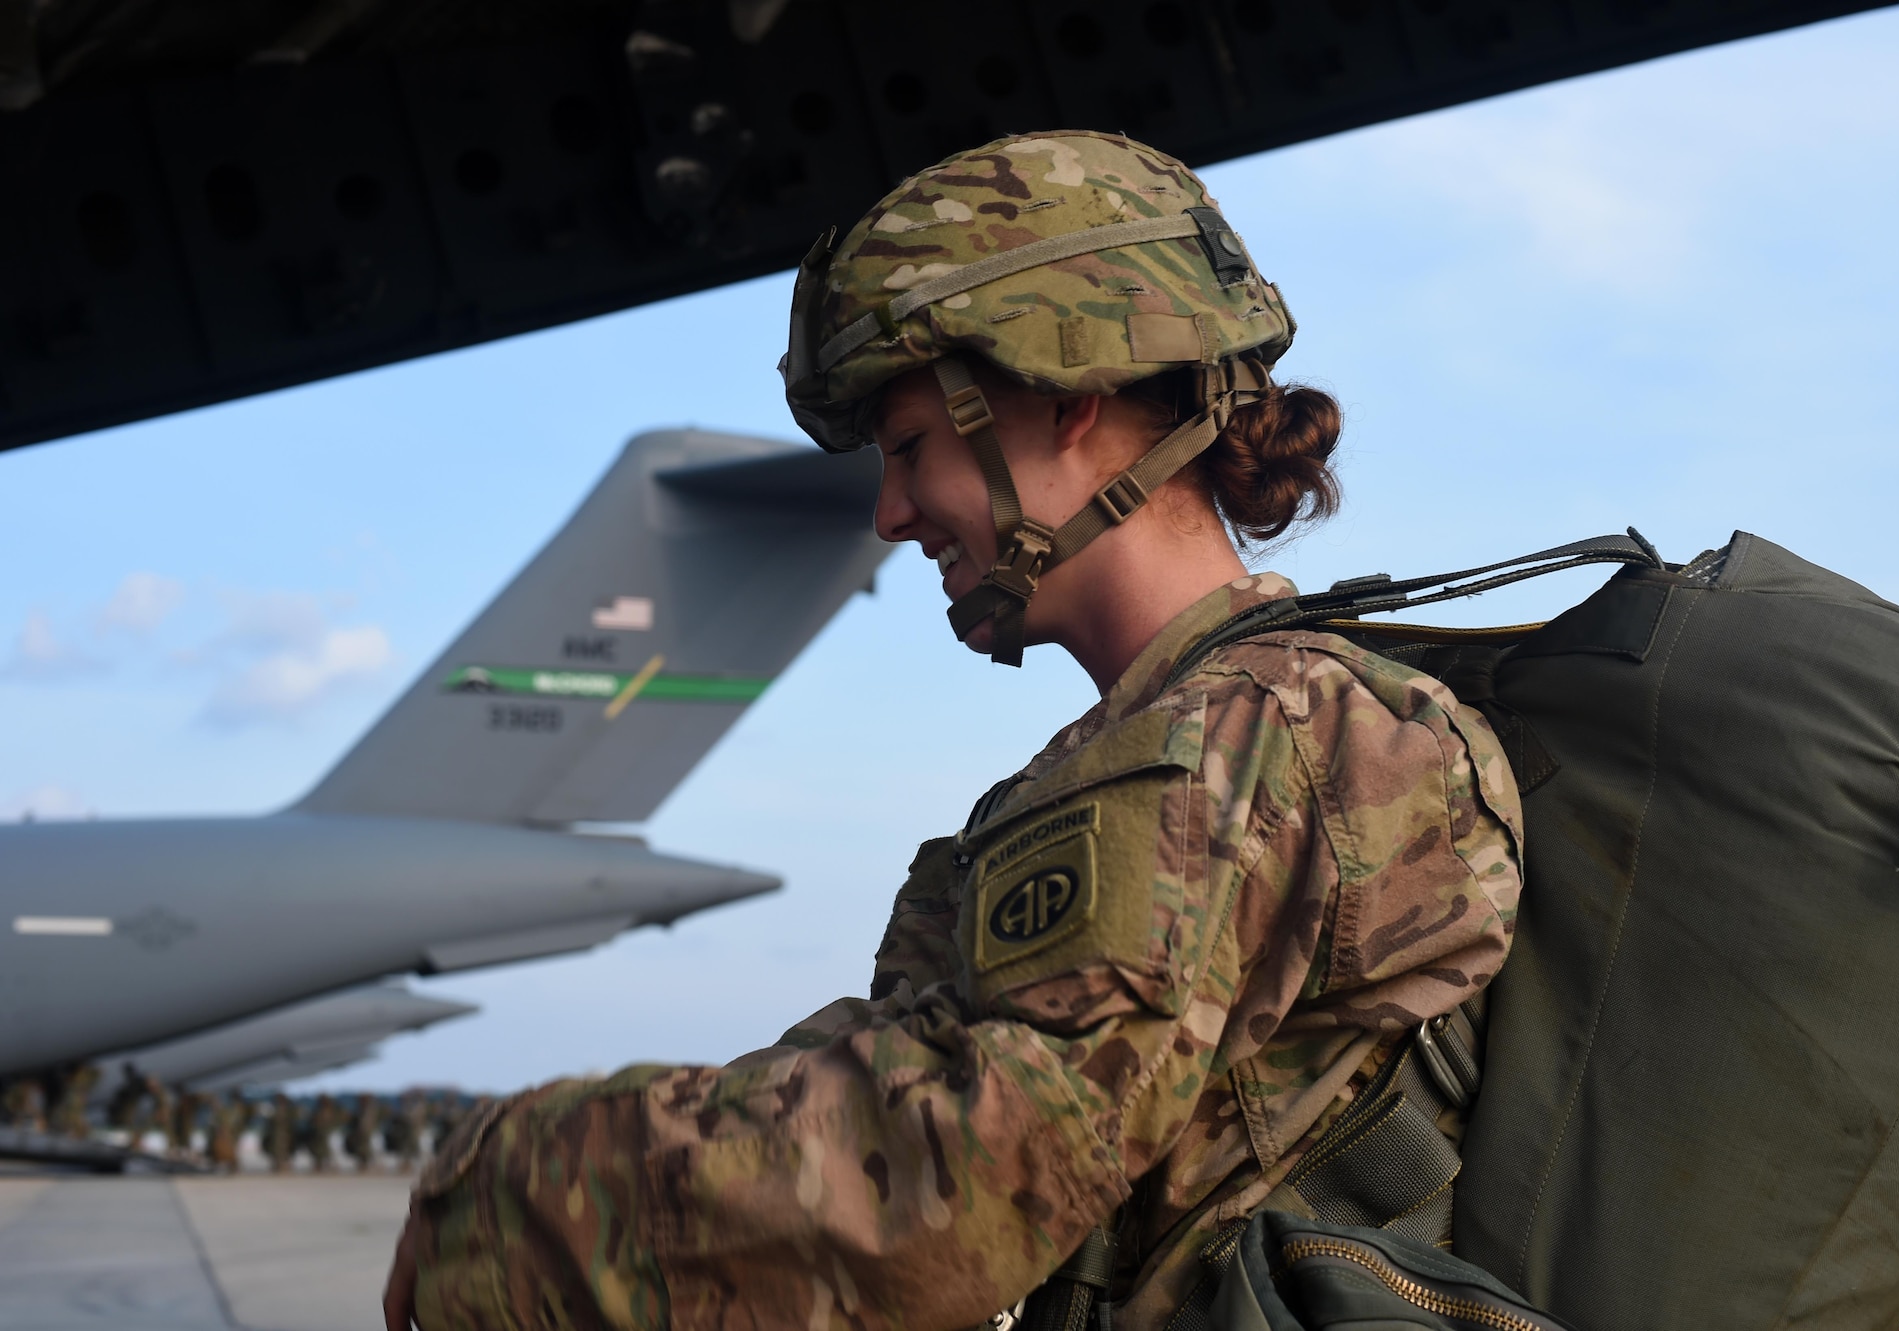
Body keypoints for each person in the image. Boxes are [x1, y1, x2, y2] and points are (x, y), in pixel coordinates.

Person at [387, 130, 1522, 1330]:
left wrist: (519, 1196)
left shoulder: (1235, 742)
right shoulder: (1212, 735)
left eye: (911, 448)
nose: (887, 514)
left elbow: (960, 1179)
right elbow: (923, 1058)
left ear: (1064, 397)